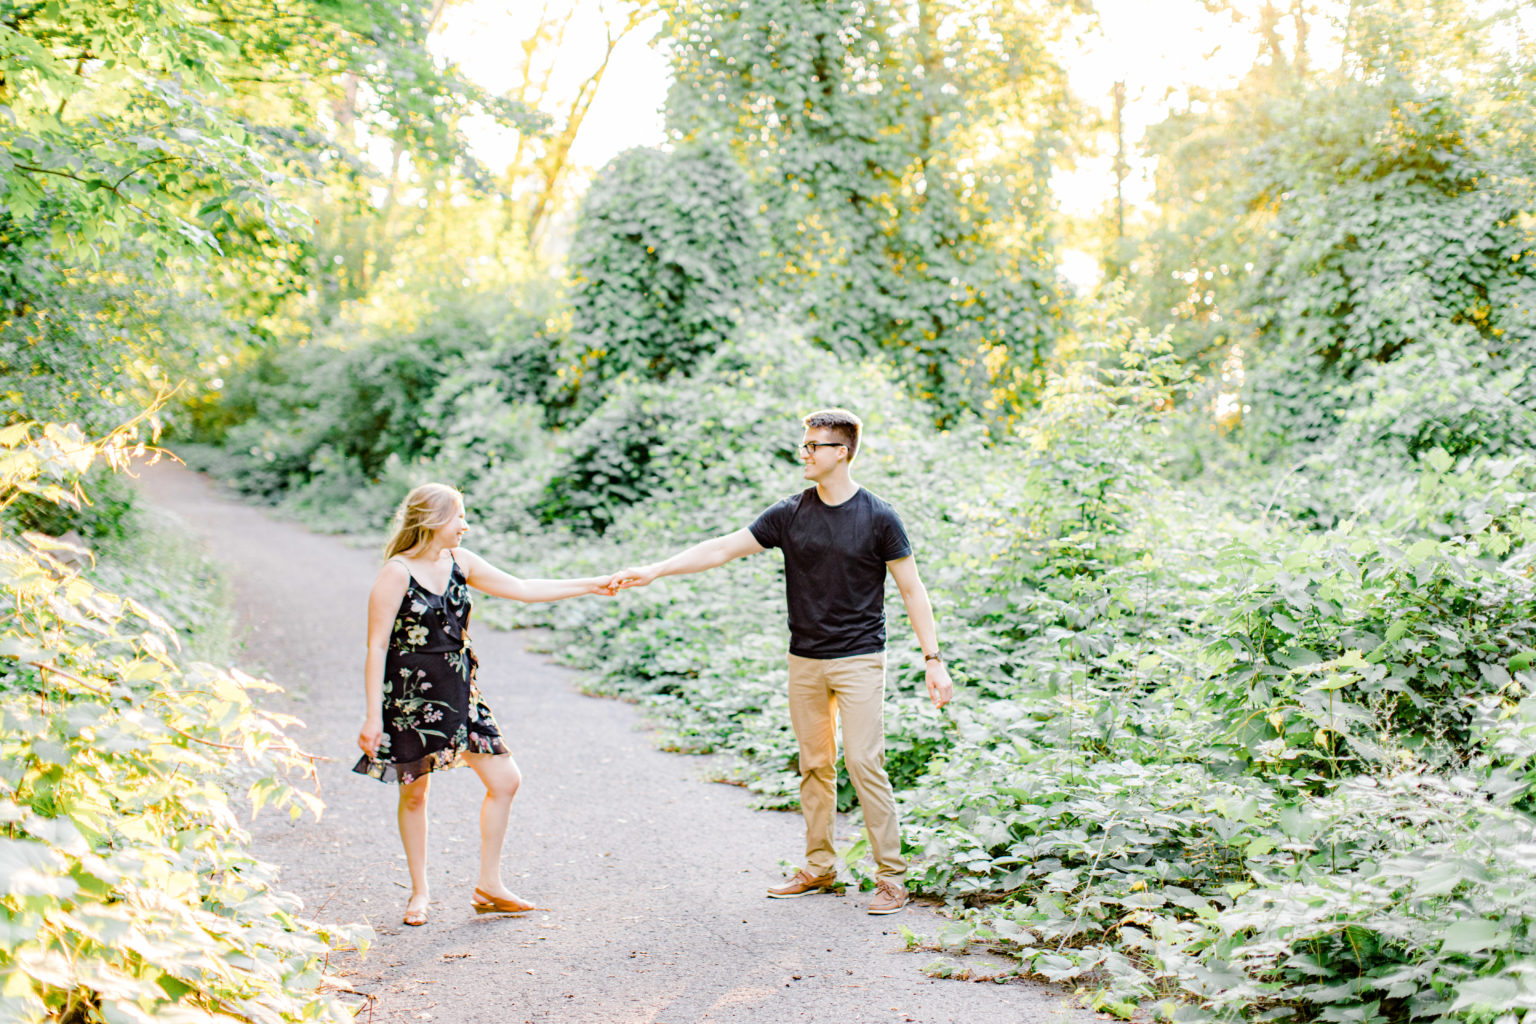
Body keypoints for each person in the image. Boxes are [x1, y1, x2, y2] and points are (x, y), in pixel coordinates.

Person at [608, 408, 954, 916]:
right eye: (806, 444)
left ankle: (890, 877)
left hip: (859, 660)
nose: (806, 454)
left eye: (815, 446)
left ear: (843, 452)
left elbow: (911, 588)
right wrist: (656, 570)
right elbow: (723, 548)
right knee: (815, 764)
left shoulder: (880, 517)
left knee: (864, 763)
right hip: (805, 661)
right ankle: (819, 867)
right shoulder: (790, 513)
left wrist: (933, 659)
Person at [353, 483, 614, 927]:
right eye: (459, 517)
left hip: (460, 691)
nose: (465, 525)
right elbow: (376, 646)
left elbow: (524, 588)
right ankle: (419, 892)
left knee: (505, 780)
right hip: (412, 696)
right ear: (434, 521)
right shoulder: (396, 573)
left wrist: (591, 585)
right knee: (415, 794)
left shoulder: (461, 561)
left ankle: (489, 885)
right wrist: (372, 716)